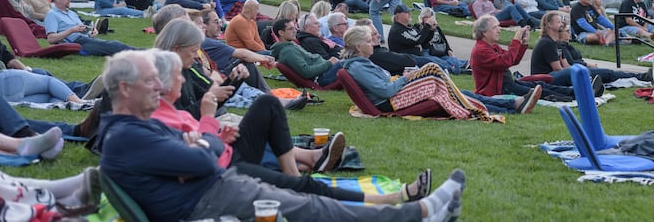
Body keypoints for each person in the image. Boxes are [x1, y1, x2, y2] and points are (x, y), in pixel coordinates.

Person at [99, 54, 464, 222]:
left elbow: (192, 156)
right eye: (151, 82)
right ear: (126, 89)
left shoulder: (135, 127)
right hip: (206, 198)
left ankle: (412, 210)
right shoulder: (128, 134)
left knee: (308, 200)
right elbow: (199, 159)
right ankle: (416, 212)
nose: (159, 87)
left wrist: (198, 147)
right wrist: (206, 133)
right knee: (310, 205)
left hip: (212, 186)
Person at [149, 49, 429, 204]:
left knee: (267, 106)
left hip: (224, 149)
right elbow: (196, 157)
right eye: (177, 76)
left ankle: (300, 166)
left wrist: (222, 101)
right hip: (221, 169)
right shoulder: (157, 117)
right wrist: (210, 119)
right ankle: (394, 198)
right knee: (300, 187)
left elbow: (196, 130)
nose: (183, 79)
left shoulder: (168, 107)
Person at [343, 26, 537, 117]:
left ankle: (513, 104)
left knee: (460, 93)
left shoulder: (363, 63)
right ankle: (513, 104)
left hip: (396, 94)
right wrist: (407, 79)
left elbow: (509, 60)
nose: (374, 44)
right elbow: (385, 91)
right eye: (369, 42)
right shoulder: (359, 67)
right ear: (359, 47)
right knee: (435, 73)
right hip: (391, 101)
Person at [44, 0, 136, 56]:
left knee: (113, 45)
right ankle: (143, 53)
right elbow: (51, 39)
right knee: (115, 46)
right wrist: (71, 30)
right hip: (76, 43)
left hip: (84, 39)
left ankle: (142, 53)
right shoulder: (52, 14)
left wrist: (91, 33)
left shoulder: (72, 13)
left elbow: (82, 30)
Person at [270, 18, 342, 87]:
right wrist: (329, 63)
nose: (295, 31)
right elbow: (307, 72)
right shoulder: (288, 51)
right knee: (347, 63)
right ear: (281, 33)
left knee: (348, 62)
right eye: (291, 29)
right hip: (321, 77)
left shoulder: (291, 46)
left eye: (295, 28)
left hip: (324, 72)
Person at [470, 0, 537, 28]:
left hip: (496, 15)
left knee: (516, 5)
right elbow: (480, 17)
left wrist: (498, 11)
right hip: (490, 18)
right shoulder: (477, 4)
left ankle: (530, 21)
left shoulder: (488, 1)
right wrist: (492, 13)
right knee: (510, 7)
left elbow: (494, 10)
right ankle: (522, 23)